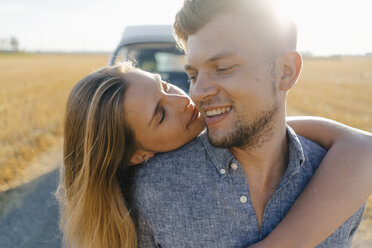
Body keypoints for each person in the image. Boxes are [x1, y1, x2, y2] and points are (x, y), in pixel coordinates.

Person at [122, 0, 371, 247]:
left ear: (286, 71)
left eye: (222, 68)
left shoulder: (341, 177)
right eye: (193, 76)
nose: (197, 93)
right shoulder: (152, 188)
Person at [57, 62, 371, 248]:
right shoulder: (142, 203)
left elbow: (362, 146)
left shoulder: (216, 132)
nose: (182, 100)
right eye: (160, 115)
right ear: (137, 155)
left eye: (164, 85)